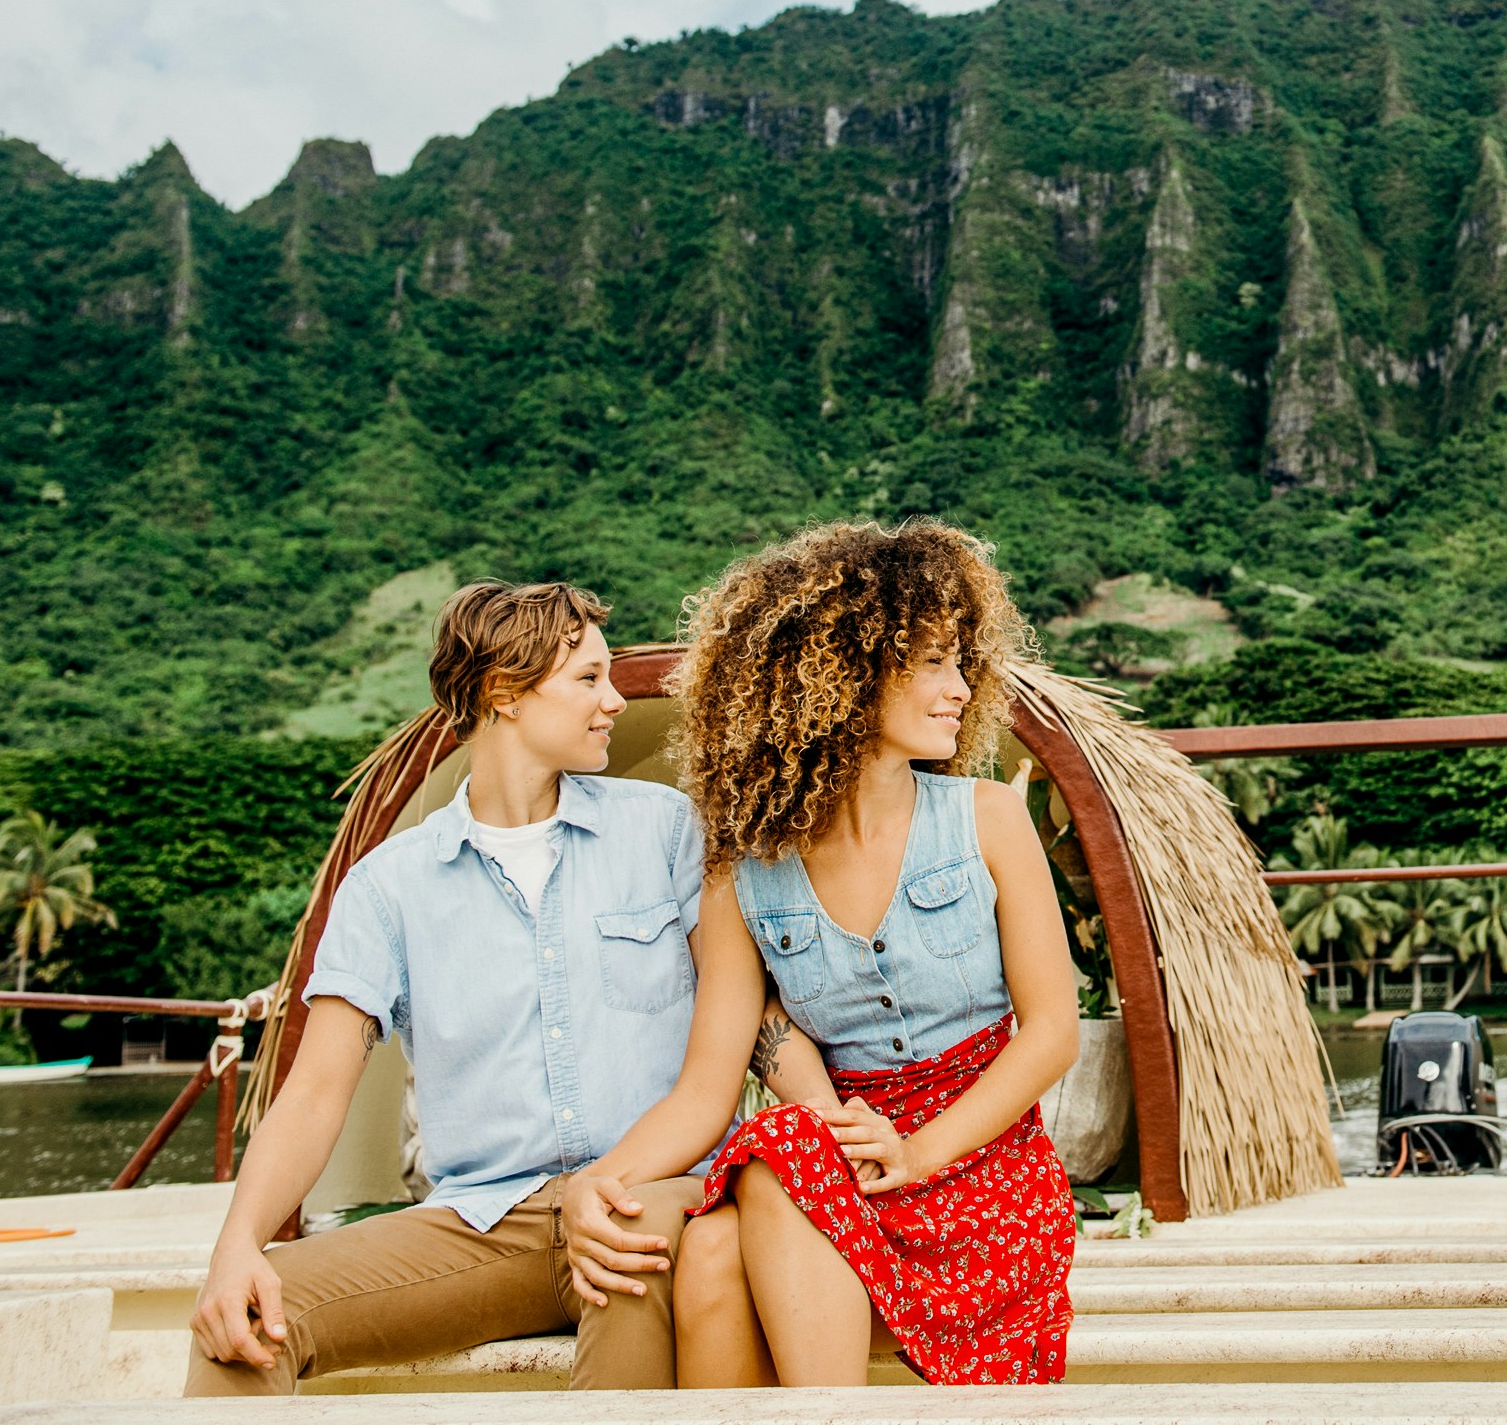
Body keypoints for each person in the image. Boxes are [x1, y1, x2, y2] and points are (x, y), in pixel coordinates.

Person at [556, 519, 1080, 1387]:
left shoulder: (986, 819)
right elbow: (706, 1085)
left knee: (771, 1158)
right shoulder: (742, 874)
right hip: (842, 1142)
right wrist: (598, 1182)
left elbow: (1051, 1034)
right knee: (719, 1236)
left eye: (961, 662)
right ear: (839, 674)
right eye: (930, 663)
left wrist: (916, 1152)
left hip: (981, 1160)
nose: (959, 689)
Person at [185, 580, 710, 1394]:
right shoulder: (388, 885)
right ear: (503, 692)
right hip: (484, 1221)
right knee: (247, 1321)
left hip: (648, 1196)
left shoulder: (664, 829)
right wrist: (237, 1247)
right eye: (587, 680)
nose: (613, 701)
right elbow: (317, 1089)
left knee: (630, 1263)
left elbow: (747, 1021)